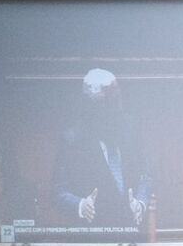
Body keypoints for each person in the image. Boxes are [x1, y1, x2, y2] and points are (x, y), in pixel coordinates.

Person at [54, 68, 149, 229]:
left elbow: (146, 174)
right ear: (91, 108)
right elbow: (58, 191)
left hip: (134, 234)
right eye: (107, 104)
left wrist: (140, 202)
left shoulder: (131, 129)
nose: (116, 109)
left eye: (116, 100)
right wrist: (81, 205)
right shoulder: (72, 140)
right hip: (92, 235)